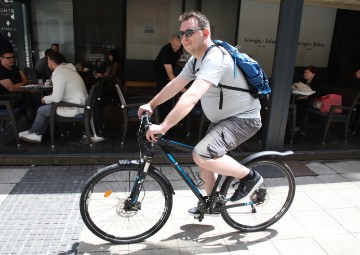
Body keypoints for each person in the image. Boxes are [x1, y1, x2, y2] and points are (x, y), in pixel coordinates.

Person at [138, 11, 263, 217]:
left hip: (244, 119)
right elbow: (176, 84)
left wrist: (163, 126)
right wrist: (151, 104)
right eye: (181, 34)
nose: (184, 38)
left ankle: (250, 177)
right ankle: (212, 202)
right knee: (204, 158)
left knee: (201, 154)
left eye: (189, 32)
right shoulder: (196, 59)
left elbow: (192, 95)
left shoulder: (215, 58)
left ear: (205, 33)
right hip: (223, 119)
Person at [19, 51, 88, 143]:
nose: (47, 64)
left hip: (73, 107)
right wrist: (50, 98)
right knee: (47, 110)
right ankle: (36, 133)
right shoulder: (69, 70)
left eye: (48, 62)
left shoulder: (59, 73)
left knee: (42, 110)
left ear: (52, 62)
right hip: (80, 104)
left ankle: (33, 132)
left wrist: (45, 98)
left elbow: (56, 98)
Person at [153, 33, 184, 120]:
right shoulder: (165, 51)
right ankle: (159, 117)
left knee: (170, 91)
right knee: (162, 90)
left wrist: (183, 65)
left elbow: (176, 59)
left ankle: (169, 114)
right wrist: (181, 88)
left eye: (179, 46)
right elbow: (170, 74)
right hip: (159, 71)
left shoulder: (179, 47)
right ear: (171, 42)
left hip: (168, 69)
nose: (177, 48)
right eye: (175, 46)